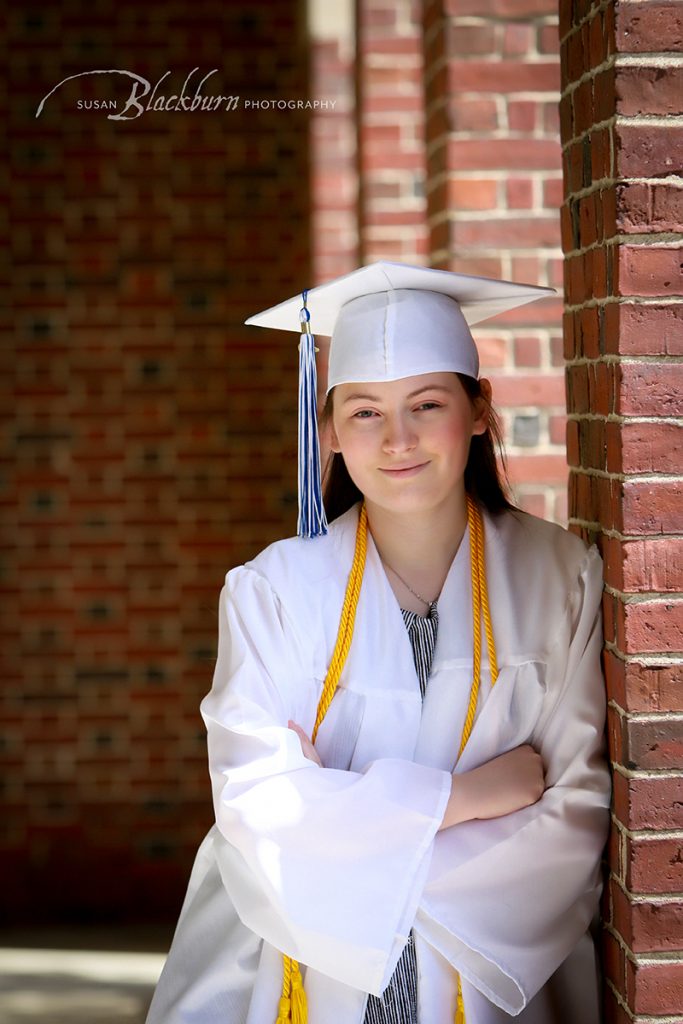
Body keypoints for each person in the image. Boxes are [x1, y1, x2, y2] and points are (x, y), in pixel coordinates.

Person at [146, 262, 611, 1024]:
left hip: (486, 976)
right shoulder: (274, 593)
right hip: (302, 969)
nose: (397, 439)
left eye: (426, 404)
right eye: (364, 412)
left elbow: (574, 809)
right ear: (326, 430)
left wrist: (353, 836)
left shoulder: (559, 577)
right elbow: (255, 803)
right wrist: (462, 799)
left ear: (478, 411)